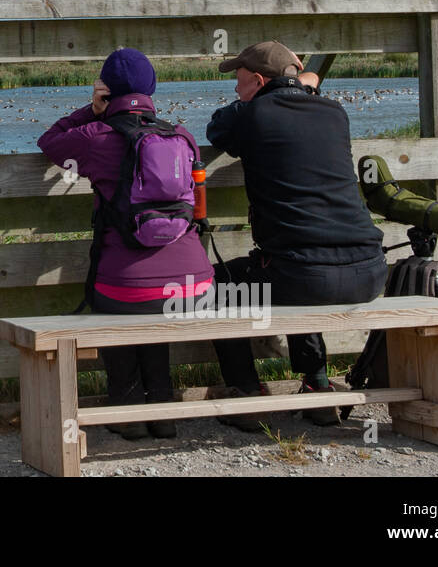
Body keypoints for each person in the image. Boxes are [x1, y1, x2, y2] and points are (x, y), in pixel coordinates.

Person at [206, 41, 387, 428]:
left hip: (302, 275)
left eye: (239, 83)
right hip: (369, 270)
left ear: (257, 81)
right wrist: (303, 85)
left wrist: (264, 98)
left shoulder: (251, 115)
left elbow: (217, 128)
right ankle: (317, 386)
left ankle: (246, 397)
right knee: (299, 266)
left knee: (222, 282)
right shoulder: (335, 113)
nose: (235, 92)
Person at [38, 49, 214, 440]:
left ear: (106, 88)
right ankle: (163, 409)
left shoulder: (96, 137)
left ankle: (128, 409)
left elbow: (49, 142)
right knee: (157, 301)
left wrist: (91, 110)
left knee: (127, 297)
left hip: (126, 285)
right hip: (194, 285)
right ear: (152, 89)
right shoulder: (182, 137)